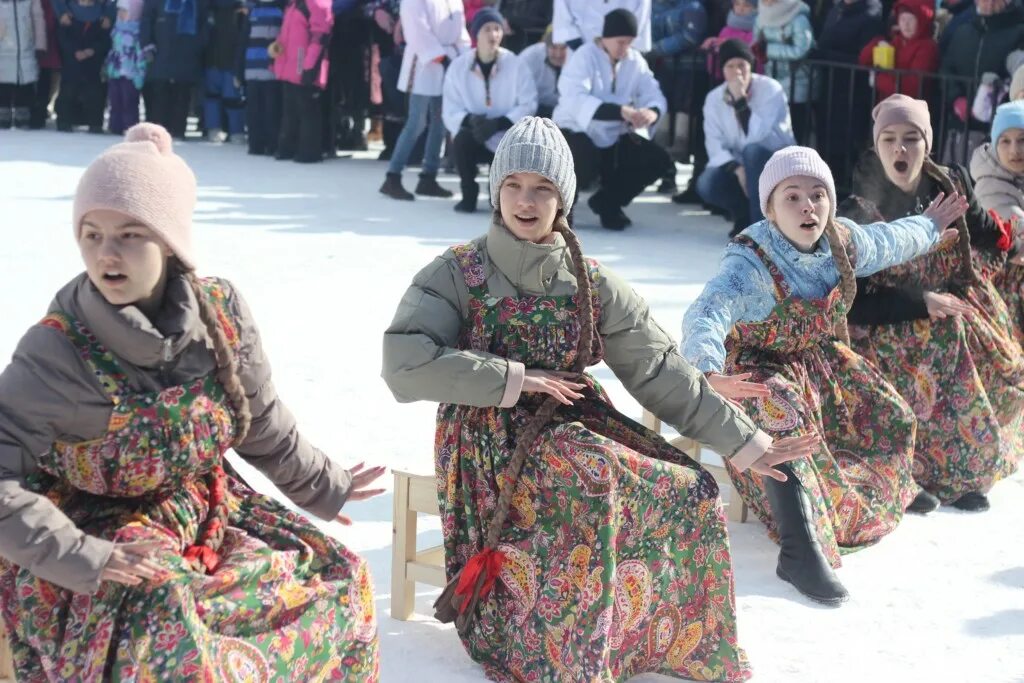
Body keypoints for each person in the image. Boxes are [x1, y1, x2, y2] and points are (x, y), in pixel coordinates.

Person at [383, 115, 816, 683]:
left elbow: (657, 367)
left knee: (692, 485)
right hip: (488, 437)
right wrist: (513, 378)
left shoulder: (590, 280)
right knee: (593, 482)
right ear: (496, 190)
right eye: (513, 185)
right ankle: (568, 653)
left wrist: (746, 440)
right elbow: (402, 364)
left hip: (573, 420)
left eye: (542, 188)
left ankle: (661, 642)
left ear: (563, 196)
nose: (526, 200)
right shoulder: (459, 273)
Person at [0, 123, 382, 680]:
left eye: (130, 234)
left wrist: (322, 482)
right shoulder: (58, 350)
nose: (106, 253)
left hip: (205, 508)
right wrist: (88, 555)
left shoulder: (220, 314)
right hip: (94, 531)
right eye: (91, 233)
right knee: (171, 628)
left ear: (171, 241)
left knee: (340, 578)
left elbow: (260, 422)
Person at [681, 145, 969, 604]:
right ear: (771, 209)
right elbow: (707, 312)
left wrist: (930, 227)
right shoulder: (749, 262)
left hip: (816, 359)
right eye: (791, 196)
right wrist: (708, 369)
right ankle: (798, 550)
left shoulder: (843, 240)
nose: (807, 205)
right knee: (779, 419)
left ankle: (891, 486)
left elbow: (890, 240)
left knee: (887, 410)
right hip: (757, 366)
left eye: (817, 194)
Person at [845, 95, 1024, 512]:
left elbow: (983, 229)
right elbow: (856, 300)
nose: (900, 149)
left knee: (1008, 369)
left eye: (911, 138)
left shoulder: (949, 183)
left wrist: (1011, 243)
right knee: (943, 340)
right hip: (886, 322)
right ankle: (912, 474)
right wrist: (920, 301)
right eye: (889, 139)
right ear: (877, 145)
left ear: (927, 144)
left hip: (949, 301)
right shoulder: (860, 210)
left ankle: (962, 469)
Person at [553, 8, 669, 230]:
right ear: (605, 37)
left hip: (615, 134)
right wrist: (620, 112)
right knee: (579, 161)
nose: (624, 48)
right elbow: (574, 98)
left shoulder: (634, 60)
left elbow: (654, 94)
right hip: (578, 131)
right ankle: (564, 210)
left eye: (629, 42)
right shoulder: (584, 56)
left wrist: (651, 112)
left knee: (656, 159)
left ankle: (609, 202)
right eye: (620, 41)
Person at [442, 7, 538, 213]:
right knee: (461, 140)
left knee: (498, 197)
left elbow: (528, 103)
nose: (493, 34)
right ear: (476, 33)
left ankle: (498, 192)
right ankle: (468, 192)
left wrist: (498, 123)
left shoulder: (516, 64)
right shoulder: (459, 67)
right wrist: (471, 121)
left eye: (497, 29)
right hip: (474, 133)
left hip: (506, 135)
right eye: (487, 29)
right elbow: (450, 108)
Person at [697, 38, 795, 236]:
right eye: (730, 66)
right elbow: (714, 144)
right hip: (741, 163)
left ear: (751, 66)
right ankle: (743, 217)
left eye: (742, 65)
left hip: (773, 160)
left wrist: (741, 100)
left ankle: (763, 233)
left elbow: (758, 136)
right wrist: (737, 169)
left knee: (752, 152)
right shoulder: (714, 98)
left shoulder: (770, 88)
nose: (737, 72)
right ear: (722, 70)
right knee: (707, 183)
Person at [379, 0, 470, 201]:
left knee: (440, 123)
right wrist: (440, 56)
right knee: (416, 122)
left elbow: (460, 29)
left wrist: (462, 56)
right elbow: (417, 29)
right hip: (423, 63)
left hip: (449, 62)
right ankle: (393, 175)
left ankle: (428, 176)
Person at [971, 100, 1024, 341]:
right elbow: (1016, 230)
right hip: (1005, 280)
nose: (1014, 150)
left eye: (1022, 140)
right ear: (994, 144)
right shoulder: (990, 183)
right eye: (1005, 141)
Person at [270, 0, 333, 162]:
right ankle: (287, 148)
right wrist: (276, 55)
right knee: (290, 109)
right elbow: (286, 34)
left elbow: (320, 36)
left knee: (307, 109)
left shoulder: (316, 4)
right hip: (288, 65)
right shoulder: (294, 4)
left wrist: (310, 65)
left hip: (304, 65)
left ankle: (309, 151)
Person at [140, 0, 211, 139]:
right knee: (159, 95)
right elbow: (147, 20)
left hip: (187, 53)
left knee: (182, 95)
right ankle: (158, 134)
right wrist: (147, 45)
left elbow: (205, 26)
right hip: (161, 52)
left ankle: (178, 130)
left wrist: (198, 47)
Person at [754, 0, 813, 140]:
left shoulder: (799, 18)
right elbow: (757, 42)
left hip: (797, 81)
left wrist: (768, 50)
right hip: (771, 77)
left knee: (796, 129)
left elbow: (802, 49)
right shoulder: (760, 16)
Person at [858, 0, 939, 102]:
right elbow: (864, 60)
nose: (906, 24)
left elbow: (912, 88)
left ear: (921, 21)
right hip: (888, 104)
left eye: (911, 19)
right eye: (902, 19)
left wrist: (878, 78)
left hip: (910, 108)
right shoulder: (896, 41)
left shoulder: (927, 47)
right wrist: (877, 43)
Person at [55, 0, 111, 132]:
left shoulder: (102, 14)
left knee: (95, 93)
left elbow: (105, 39)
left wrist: (92, 50)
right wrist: (74, 51)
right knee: (68, 91)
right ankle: (64, 121)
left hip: (93, 60)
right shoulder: (68, 13)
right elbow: (62, 36)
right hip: (71, 59)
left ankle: (95, 123)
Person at [239, 0, 285, 155]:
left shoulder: (281, 9)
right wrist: (238, 70)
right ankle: (255, 145)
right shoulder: (253, 11)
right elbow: (242, 42)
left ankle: (272, 144)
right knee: (253, 111)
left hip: (272, 71)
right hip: (252, 70)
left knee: (272, 111)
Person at [204, 0, 247, 143]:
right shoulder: (241, 8)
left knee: (217, 98)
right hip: (224, 59)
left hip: (217, 59)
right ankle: (235, 131)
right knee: (229, 98)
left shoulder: (209, 8)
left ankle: (218, 129)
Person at [0, 0, 46, 129]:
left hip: (27, 48)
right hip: (3, 48)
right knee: (3, 84)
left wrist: (40, 45)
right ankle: (3, 115)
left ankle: (23, 115)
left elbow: (38, 20)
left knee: (25, 82)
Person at [104, 0, 147, 135]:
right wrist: (107, 67)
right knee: (115, 100)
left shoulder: (137, 32)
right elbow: (113, 51)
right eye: (119, 11)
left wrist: (140, 74)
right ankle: (115, 126)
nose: (121, 14)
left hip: (131, 73)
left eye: (125, 11)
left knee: (129, 102)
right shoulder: (116, 29)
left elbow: (140, 55)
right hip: (115, 71)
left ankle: (130, 128)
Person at [552, 0, 652, 52]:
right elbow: (562, 14)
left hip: (622, 50)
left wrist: (624, 45)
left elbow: (641, 15)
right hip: (581, 45)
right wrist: (578, 47)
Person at [518, 26, 570, 119]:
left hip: (567, 112)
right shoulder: (529, 58)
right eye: (553, 47)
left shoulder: (577, 59)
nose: (558, 54)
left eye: (563, 48)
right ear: (545, 45)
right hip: (535, 111)